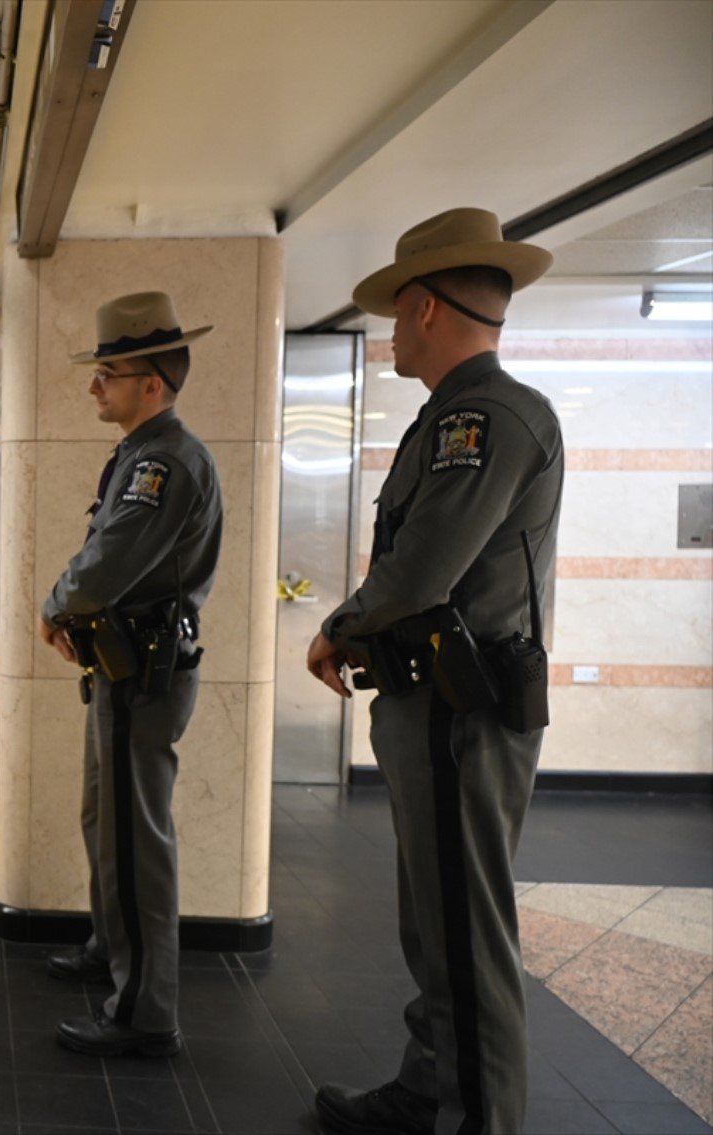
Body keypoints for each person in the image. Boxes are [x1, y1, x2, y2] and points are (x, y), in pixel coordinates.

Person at [305, 208, 563, 1135]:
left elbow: (422, 567)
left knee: (465, 933)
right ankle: (432, 1088)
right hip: (436, 704)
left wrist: (339, 625)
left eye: (393, 314)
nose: (389, 331)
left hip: (465, 709)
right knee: (437, 925)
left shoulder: (487, 418)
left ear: (420, 309)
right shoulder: (457, 416)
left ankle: (477, 1117)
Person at [36, 292, 222, 1057]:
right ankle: (113, 950)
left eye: (107, 373)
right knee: (104, 818)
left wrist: (54, 604)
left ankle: (145, 1012)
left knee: (136, 836)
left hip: (143, 672)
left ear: (152, 382)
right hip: (124, 667)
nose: (93, 388)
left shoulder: (164, 462)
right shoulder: (143, 455)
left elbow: (109, 561)